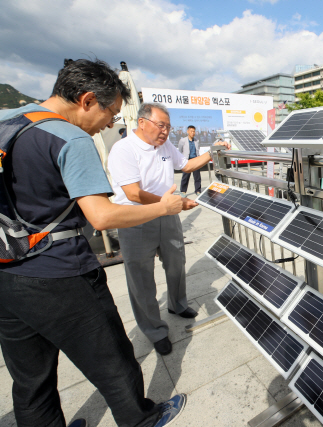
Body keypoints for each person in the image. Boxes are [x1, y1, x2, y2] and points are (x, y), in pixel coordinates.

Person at [0, 59, 187, 427]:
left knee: (31, 378)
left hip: (7, 272)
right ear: (87, 100)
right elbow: (101, 216)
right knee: (113, 358)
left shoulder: (8, 123)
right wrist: (164, 207)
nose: (111, 122)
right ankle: (142, 419)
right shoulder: (69, 137)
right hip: (60, 273)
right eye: (111, 112)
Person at [108, 103, 230, 356]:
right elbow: (133, 193)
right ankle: (154, 330)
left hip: (168, 215)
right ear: (142, 122)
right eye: (160, 125)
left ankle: (177, 304)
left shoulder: (165, 146)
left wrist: (212, 152)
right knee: (141, 278)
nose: (165, 132)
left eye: (168, 127)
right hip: (135, 218)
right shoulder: (123, 149)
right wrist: (170, 203)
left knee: (176, 262)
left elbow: (185, 165)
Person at [177, 125, 201, 196]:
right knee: (185, 177)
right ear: (188, 131)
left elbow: (198, 150)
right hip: (187, 161)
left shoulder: (197, 141)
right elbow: (180, 150)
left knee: (197, 177)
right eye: (191, 131)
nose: (193, 133)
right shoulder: (183, 140)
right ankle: (183, 191)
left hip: (195, 160)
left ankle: (198, 191)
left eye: (194, 131)